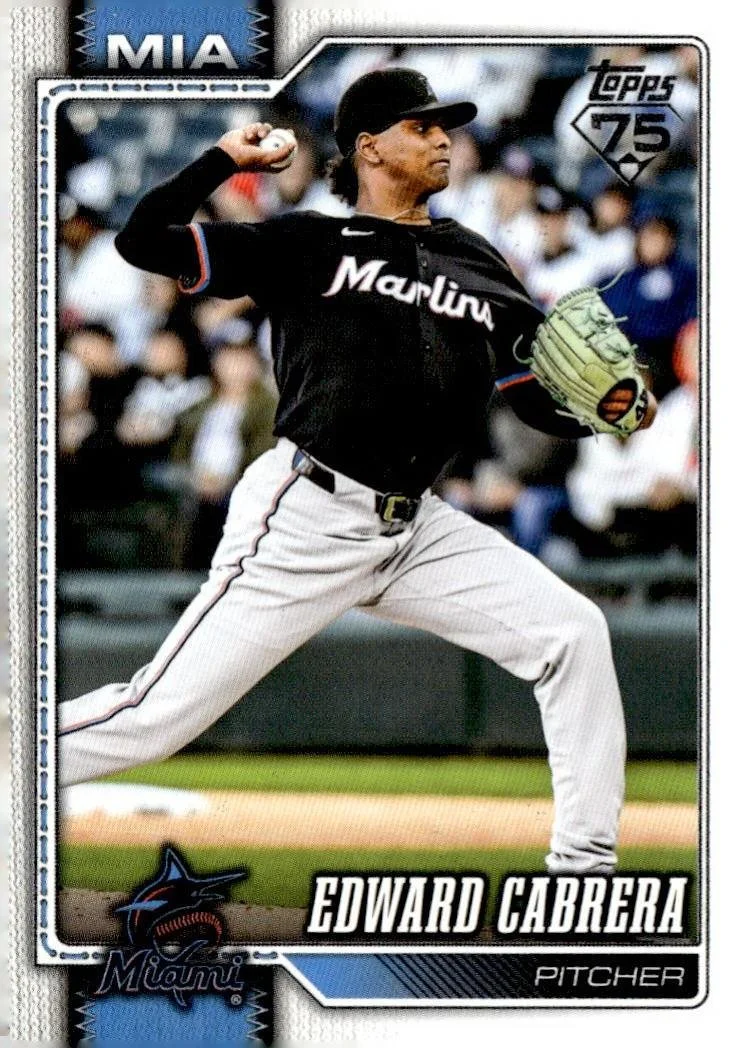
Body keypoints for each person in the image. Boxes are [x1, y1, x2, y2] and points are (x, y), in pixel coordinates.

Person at [59, 69, 657, 876]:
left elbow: (533, 396)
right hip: (307, 513)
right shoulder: (307, 243)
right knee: (154, 715)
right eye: (423, 126)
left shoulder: (476, 260)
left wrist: (605, 406)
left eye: (446, 127)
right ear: (370, 147)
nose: (443, 139)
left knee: (573, 633)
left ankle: (583, 871)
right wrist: (218, 160)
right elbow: (144, 240)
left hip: (418, 529)